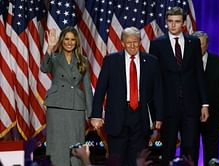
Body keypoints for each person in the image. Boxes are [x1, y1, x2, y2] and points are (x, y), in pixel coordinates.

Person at [90, 27, 164, 166]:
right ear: (122, 43)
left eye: (135, 42)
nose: (132, 45)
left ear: (140, 42)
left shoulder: (152, 61)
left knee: (137, 160)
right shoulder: (111, 61)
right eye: (128, 42)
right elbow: (100, 89)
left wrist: (158, 117)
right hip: (117, 116)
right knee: (117, 160)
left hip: (141, 117)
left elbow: (157, 92)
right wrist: (96, 115)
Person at [149, 7, 209, 165]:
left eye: (177, 22)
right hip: (168, 106)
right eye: (170, 22)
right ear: (166, 22)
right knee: (167, 148)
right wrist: (156, 111)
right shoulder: (157, 44)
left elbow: (199, 75)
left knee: (190, 148)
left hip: (191, 105)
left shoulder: (193, 42)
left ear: (183, 23)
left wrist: (204, 104)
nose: (173, 25)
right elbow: (154, 80)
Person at [40, 26, 93, 166]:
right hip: (56, 107)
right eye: (66, 39)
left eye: (73, 39)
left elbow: (87, 88)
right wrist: (50, 48)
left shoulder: (83, 60)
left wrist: (92, 114)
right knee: (57, 146)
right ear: (62, 40)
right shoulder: (55, 57)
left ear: (76, 42)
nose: (69, 42)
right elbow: (44, 68)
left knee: (76, 147)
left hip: (76, 107)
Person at [192, 31, 219, 166]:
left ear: (207, 45)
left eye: (202, 45)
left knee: (211, 153)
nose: (198, 49)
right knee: (190, 152)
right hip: (190, 116)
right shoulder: (185, 63)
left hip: (214, 116)